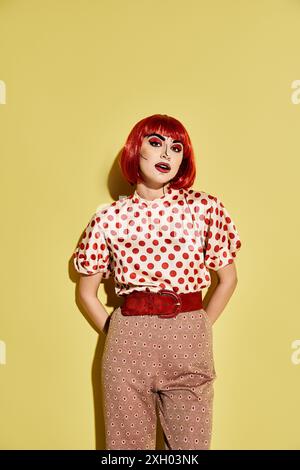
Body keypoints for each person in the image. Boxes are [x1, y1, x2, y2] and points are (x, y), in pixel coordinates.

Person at [72, 114, 242, 450]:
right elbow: (86, 291)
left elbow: (228, 279)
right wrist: (117, 332)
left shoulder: (204, 208)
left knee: (189, 451)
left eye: (176, 147)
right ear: (137, 149)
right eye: (156, 143)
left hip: (188, 336)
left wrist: (200, 324)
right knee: (125, 451)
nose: (167, 154)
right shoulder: (109, 217)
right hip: (128, 340)